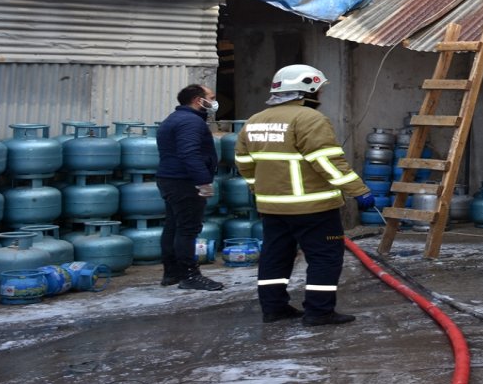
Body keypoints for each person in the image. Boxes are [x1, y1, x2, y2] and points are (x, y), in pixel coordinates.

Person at [234, 64, 375, 326]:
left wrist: (261, 189)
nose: (320, 94)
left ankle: (274, 308)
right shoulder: (309, 119)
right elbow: (326, 161)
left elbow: (244, 162)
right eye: (319, 89)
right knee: (325, 257)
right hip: (312, 207)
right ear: (307, 89)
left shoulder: (254, 121)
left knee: (276, 256)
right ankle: (319, 312)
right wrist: (359, 190)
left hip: (272, 207)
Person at [156, 84, 224, 291]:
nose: (213, 102)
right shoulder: (190, 122)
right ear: (197, 100)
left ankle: (172, 273)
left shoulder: (174, 118)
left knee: (173, 226)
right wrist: (203, 181)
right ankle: (189, 275)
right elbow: (189, 153)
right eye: (210, 97)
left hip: (171, 179)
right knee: (187, 229)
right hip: (184, 182)